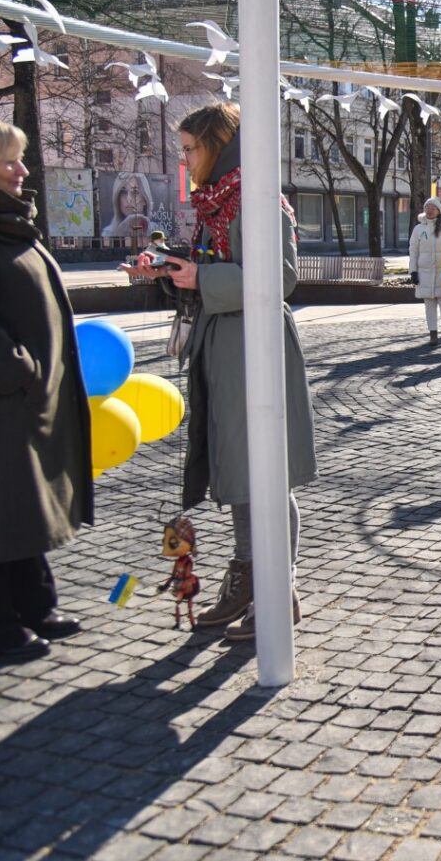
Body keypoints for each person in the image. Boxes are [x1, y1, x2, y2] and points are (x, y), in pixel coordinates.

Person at [122, 103, 317, 640]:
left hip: (254, 348)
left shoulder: (257, 199)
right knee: (237, 472)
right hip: (225, 346)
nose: (185, 161)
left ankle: (277, 592)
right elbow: (219, 265)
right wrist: (173, 269)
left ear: (218, 144)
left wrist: (198, 278)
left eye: (190, 149)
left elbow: (278, 277)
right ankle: (252, 581)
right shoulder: (218, 200)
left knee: (267, 476)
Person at [0, 121, 92, 663]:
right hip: (8, 396)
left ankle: (34, 604)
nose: (23, 171)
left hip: (26, 399)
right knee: (6, 507)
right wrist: (19, 369)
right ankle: (2, 623)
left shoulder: (14, 224)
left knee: (23, 506)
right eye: (9, 161)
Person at [409, 197, 441, 347]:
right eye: (427, 207)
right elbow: (413, 251)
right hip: (424, 273)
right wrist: (413, 271)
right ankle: (433, 335)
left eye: (433, 208)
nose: (430, 210)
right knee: (429, 305)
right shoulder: (418, 229)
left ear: (439, 211)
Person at [100, 172, 155, 241]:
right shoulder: (107, 232)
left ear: (145, 199)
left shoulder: (157, 230)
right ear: (117, 198)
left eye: (135, 192)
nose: (129, 199)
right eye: (124, 192)